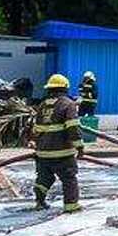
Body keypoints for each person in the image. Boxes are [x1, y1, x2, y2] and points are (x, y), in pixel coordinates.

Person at [32, 74, 84, 213]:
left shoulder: (42, 105)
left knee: (44, 177)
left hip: (42, 152)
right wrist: (79, 146)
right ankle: (71, 206)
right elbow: (73, 127)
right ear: (65, 88)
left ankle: (39, 201)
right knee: (69, 178)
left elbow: (36, 129)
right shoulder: (68, 104)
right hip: (62, 152)